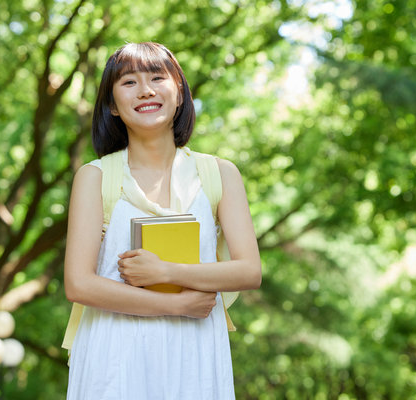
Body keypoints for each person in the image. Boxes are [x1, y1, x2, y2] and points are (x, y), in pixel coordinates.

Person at [63, 42, 262, 399]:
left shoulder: (219, 173)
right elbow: (79, 284)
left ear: (180, 93)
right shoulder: (95, 177)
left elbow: (248, 271)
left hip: (196, 353)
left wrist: (167, 272)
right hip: (113, 355)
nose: (146, 90)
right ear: (111, 105)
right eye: (129, 82)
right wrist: (175, 304)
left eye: (158, 77)